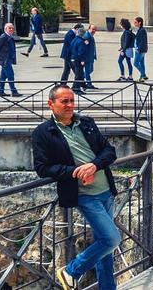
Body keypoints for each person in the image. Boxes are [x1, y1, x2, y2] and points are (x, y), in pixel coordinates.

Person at [31, 85, 120, 290]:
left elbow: (109, 151)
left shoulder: (86, 123)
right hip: (84, 195)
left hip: (106, 190)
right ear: (50, 104)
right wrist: (76, 171)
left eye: (72, 100)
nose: (70, 105)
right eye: (64, 101)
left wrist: (94, 165)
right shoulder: (43, 133)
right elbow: (42, 168)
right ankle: (71, 271)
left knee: (106, 247)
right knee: (111, 239)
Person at [0, 21, 22, 97]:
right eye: (9, 28)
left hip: (8, 59)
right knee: (10, 75)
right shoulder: (3, 37)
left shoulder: (10, 37)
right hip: (5, 60)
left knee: (3, 76)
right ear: (5, 29)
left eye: (12, 28)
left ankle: (0, 91)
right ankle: (14, 91)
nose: (11, 29)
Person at [131, 17, 149, 81]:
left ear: (139, 23)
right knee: (141, 63)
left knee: (135, 63)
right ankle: (143, 76)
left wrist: (139, 49)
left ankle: (142, 74)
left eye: (135, 22)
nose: (134, 23)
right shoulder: (139, 30)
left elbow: (143, 41)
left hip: (140, 50)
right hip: (139, 49)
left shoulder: (142, 30)